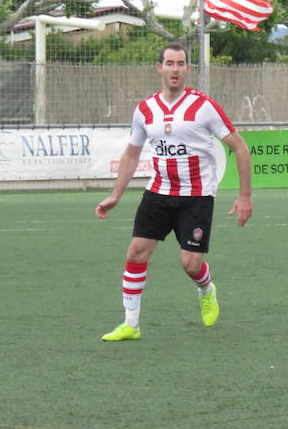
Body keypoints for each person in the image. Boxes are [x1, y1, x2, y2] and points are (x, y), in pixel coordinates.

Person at [95, 43, 253, 341]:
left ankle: (206, 289)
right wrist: (116, 194)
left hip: (197, 196)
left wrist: (244, 196)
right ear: (160, 68)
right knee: (136, 252)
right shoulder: (145, 110)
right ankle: (131, 323)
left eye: (181, 63)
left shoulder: (203, 106)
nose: (175, 69)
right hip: (158, 192)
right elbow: (131, 154)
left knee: (190, 264)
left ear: (187, 69)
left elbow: (240, 148)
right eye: (169, 63)